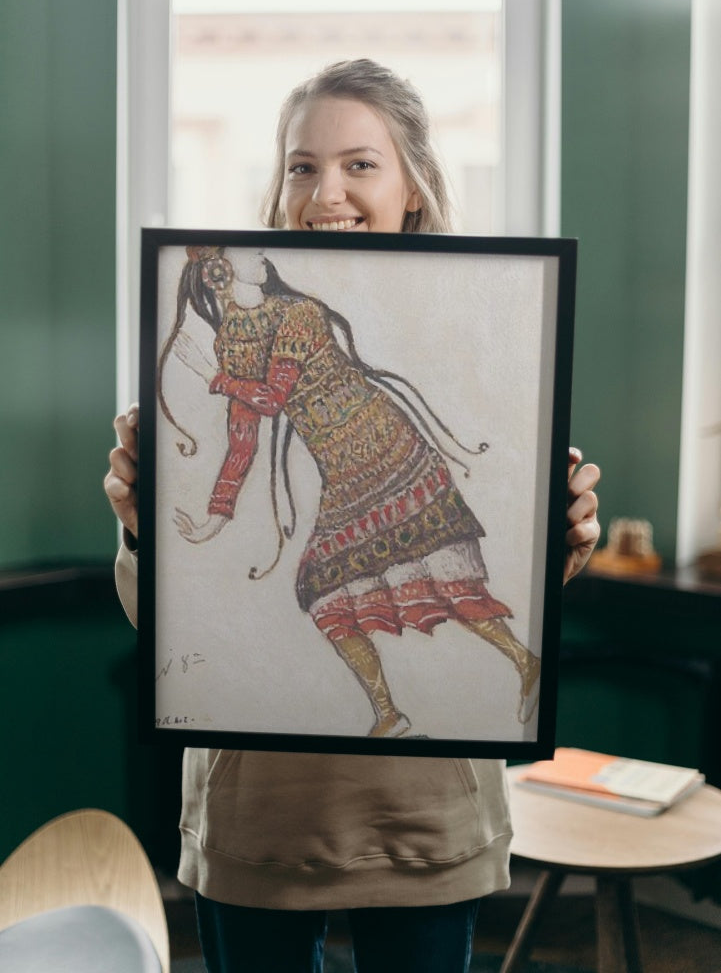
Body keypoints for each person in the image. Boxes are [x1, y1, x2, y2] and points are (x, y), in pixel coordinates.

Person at [105, 59, 601, 973]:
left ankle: (478, 675)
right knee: (328, 588)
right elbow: (181, 595)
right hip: (256, 821)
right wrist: (161, 532)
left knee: (428, 576)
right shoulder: (236, 333)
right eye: (301, 166)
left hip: (424, 821)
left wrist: (557, 543)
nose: (324, 191)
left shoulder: (481, 322)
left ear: (412, 184)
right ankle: (389, 706)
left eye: (358, 164)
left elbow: (526, 562)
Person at [163, 242, 540, 734]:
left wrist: (214, 379)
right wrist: (215, 515)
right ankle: (389, 715)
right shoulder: (231, 342)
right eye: (246, 250)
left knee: (441, 574)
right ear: (220, 268)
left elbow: (273, 398)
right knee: (324, 595)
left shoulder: (299, 314)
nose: (262, 254)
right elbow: (242, 439)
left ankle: (524, 664)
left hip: (388, 449)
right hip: (344, 474)